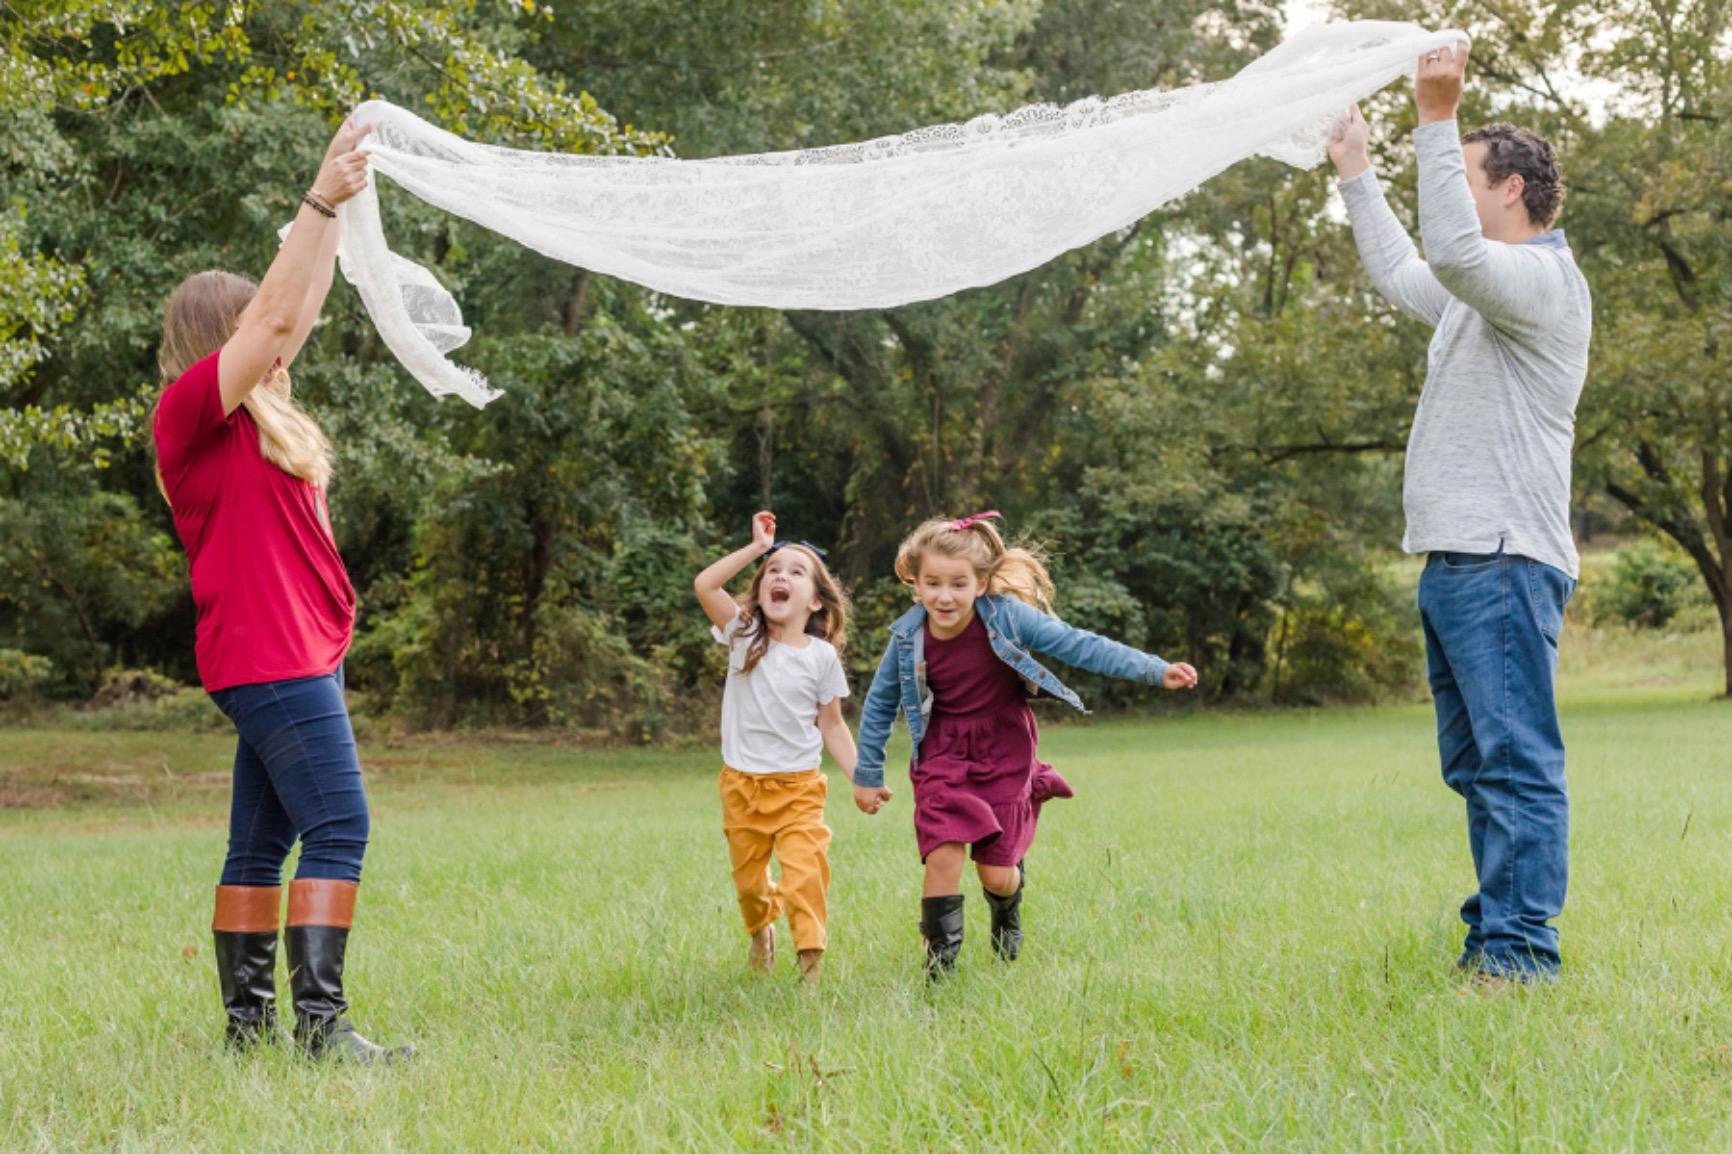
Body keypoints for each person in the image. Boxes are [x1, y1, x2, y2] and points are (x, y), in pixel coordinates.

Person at [1328, 43, 1592, 983]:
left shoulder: (1541, 284)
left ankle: (1521, 954)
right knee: (1480, 768)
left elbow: (1447, 250)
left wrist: (1434, 116)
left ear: (1510, 189)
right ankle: (1496, 936)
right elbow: (1410, 270)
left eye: (1465, 177)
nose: (1456, 193)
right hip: (1458, 563)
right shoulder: (1481, 298)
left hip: (1504, 559)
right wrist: (1359, 171)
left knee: (1515, 763)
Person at [152, 116, 408, 1058]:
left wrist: (339, 198)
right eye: (255, 321)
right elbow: (272, 321)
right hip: (267, 656)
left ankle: (248, 1029)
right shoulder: (190, 417)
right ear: (220, 332)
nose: (286, 332)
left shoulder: (270, 419)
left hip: (299, 654)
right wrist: (315, 194)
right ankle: (322, 1031)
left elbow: (294, 309)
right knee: (341, 825)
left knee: (258, 846)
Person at [853, 511, 1197, 978]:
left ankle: (1007, 907)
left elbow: (1080, 645)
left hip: (1004, 749)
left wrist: (1154, 669)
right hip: (943, 752)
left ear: (980, 582)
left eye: (958, 584)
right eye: (932, 583)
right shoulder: (907, 638)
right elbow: (878, 706)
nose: (944, 596)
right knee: (942, 853)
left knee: (995, 873)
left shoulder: (1008, 617)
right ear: (916, 583)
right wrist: (868, 775)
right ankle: (939, 973)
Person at [693, 511, 889, 987]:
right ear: (762, 588)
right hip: (742, 788)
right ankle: (762, 933)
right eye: (773, 571)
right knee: (749, 886)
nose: (781, 576)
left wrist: (862, 779)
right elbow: (705, 584)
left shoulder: (821, 658)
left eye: (795, 572)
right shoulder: (745, 635)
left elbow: (833, 725)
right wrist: (758, 548)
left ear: (816, 600)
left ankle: (810, 972)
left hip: (799, 789)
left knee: (805, 878)